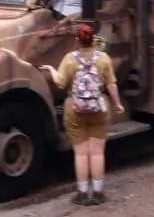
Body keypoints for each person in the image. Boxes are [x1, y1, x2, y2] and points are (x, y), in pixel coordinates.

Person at [39, 25, 124, 205]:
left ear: (76, 40)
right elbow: (111, 85)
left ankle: (83, 194)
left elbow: (61, 83)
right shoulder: (103, 59)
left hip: (75, 109)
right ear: (93, 39)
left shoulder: (70, 59)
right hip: (98, 108)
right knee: (97, 153)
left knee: (81, 154)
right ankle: (99, 193)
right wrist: (117, 104)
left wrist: (51, 69)